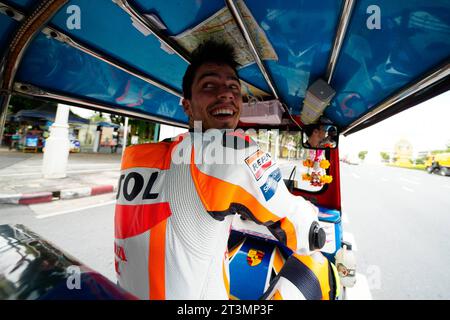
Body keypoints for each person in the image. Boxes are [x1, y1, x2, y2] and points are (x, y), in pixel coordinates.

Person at [114, 40, 337, 300]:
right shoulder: (229, 150)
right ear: (187, 105)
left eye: (233, 86)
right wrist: (311, 217)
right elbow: (303, 233)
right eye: (209, 85)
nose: (226, 93)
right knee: (317, 264)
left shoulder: (139, 158)